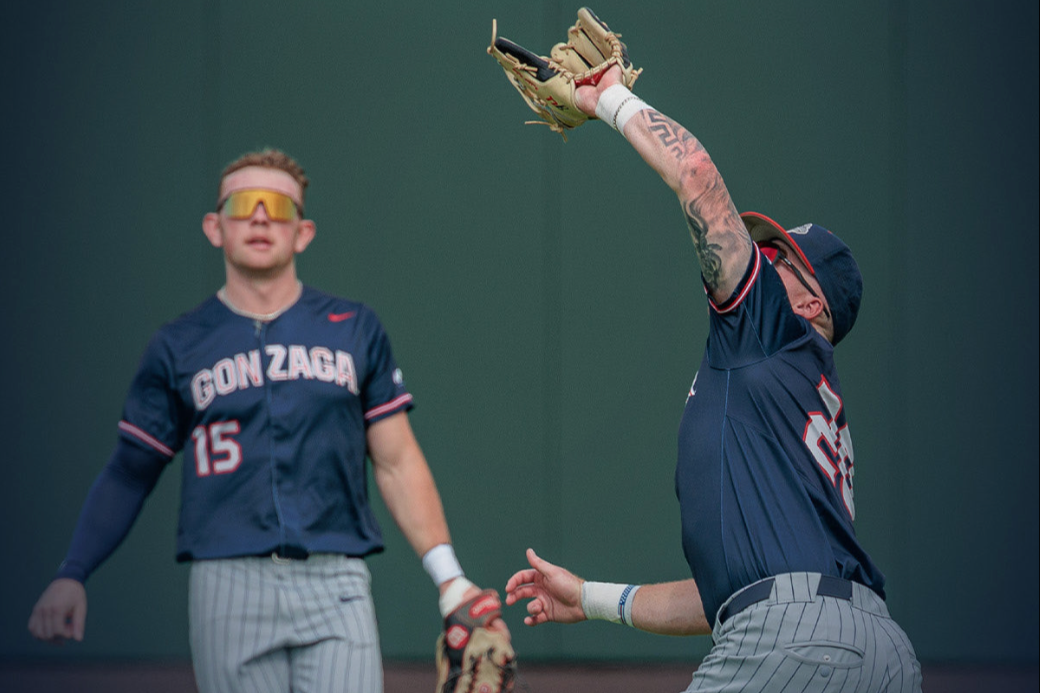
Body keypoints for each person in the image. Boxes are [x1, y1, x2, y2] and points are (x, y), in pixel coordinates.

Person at [504, 65, 922, 692]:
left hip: (797, 646)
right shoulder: (796, 404)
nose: (763, 259)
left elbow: (696, 175)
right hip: (880, 652)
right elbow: (731, 598)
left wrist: (608, 96)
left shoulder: (769, 329)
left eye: (781, 260)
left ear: (811, 306)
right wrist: (590, 598)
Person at [28, 149, 505, 693]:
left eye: (277, 206)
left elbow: (397, 462)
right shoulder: (179, 345)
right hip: (228, 584)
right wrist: (73, 572)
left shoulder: (352, 328)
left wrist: (450, 581)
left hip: (337, 580)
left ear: (303, 232)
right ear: (215, 227)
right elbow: (129, 472)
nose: (259, 216)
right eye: (242, 204)